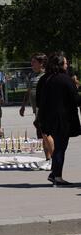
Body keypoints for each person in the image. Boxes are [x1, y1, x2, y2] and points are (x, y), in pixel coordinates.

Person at [37, 52, 81, 186]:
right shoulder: (65, 79)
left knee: (58, 147)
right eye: (66, 63)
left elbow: (39, 100)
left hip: (49, 118)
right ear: (61, 64)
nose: (67, 65)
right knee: (61, 147)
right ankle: (57, 176)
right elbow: (76, 99)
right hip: (63, 119)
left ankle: (54, 173)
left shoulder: (45, 79)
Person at [20, 53, 53, 171]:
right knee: (42, 135)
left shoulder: (46, 75)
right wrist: (23, 106)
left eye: (34, 62)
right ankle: (48, 159)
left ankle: (54, 160)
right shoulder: (32, 75)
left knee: (46, 134)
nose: (31, 64)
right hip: (36, 110)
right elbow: (28, 91)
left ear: (41, 63)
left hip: (45, 109)